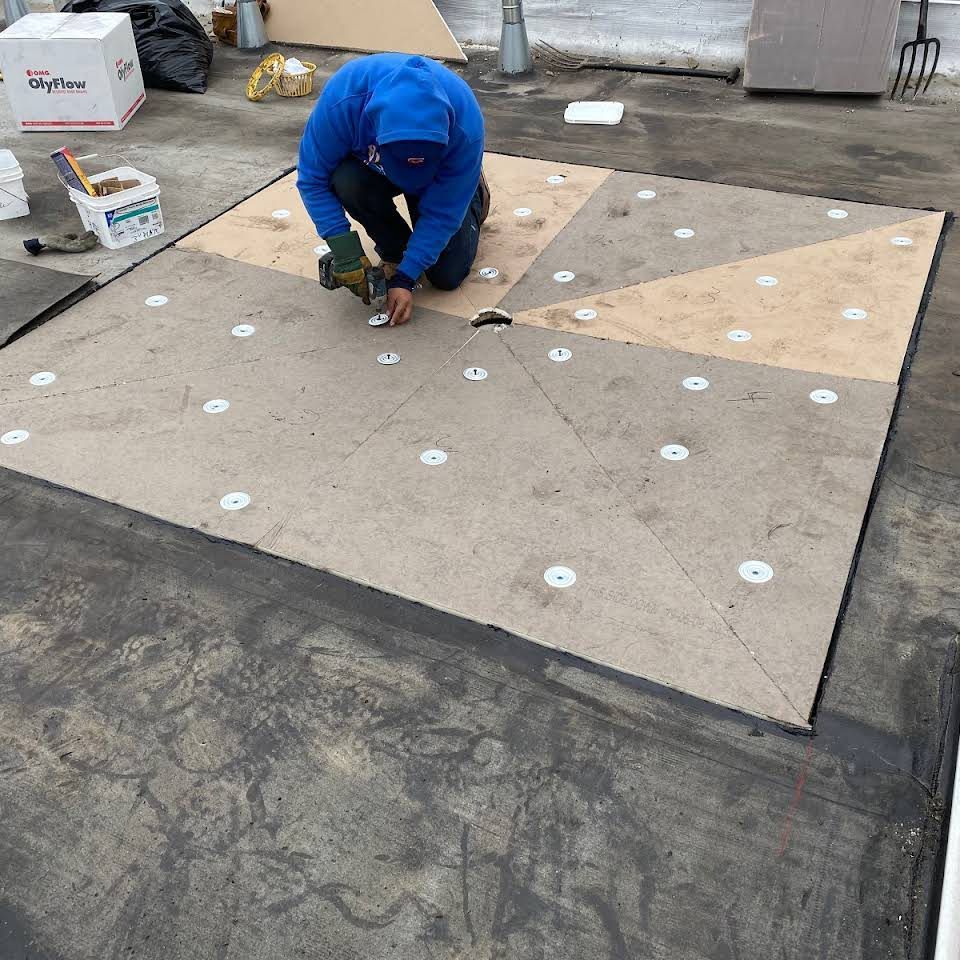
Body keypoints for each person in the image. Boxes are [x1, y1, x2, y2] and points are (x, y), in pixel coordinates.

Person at [297, 53, 488, 327]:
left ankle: (472, 188)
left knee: (447, 276)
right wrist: (344, 250)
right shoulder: (344, 99)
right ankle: (395, 248)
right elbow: (312, 179)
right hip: (373, 167)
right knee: (346, 179)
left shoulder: (465, 125)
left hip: (439, 178)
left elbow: (442, 215)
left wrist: (405, 278)